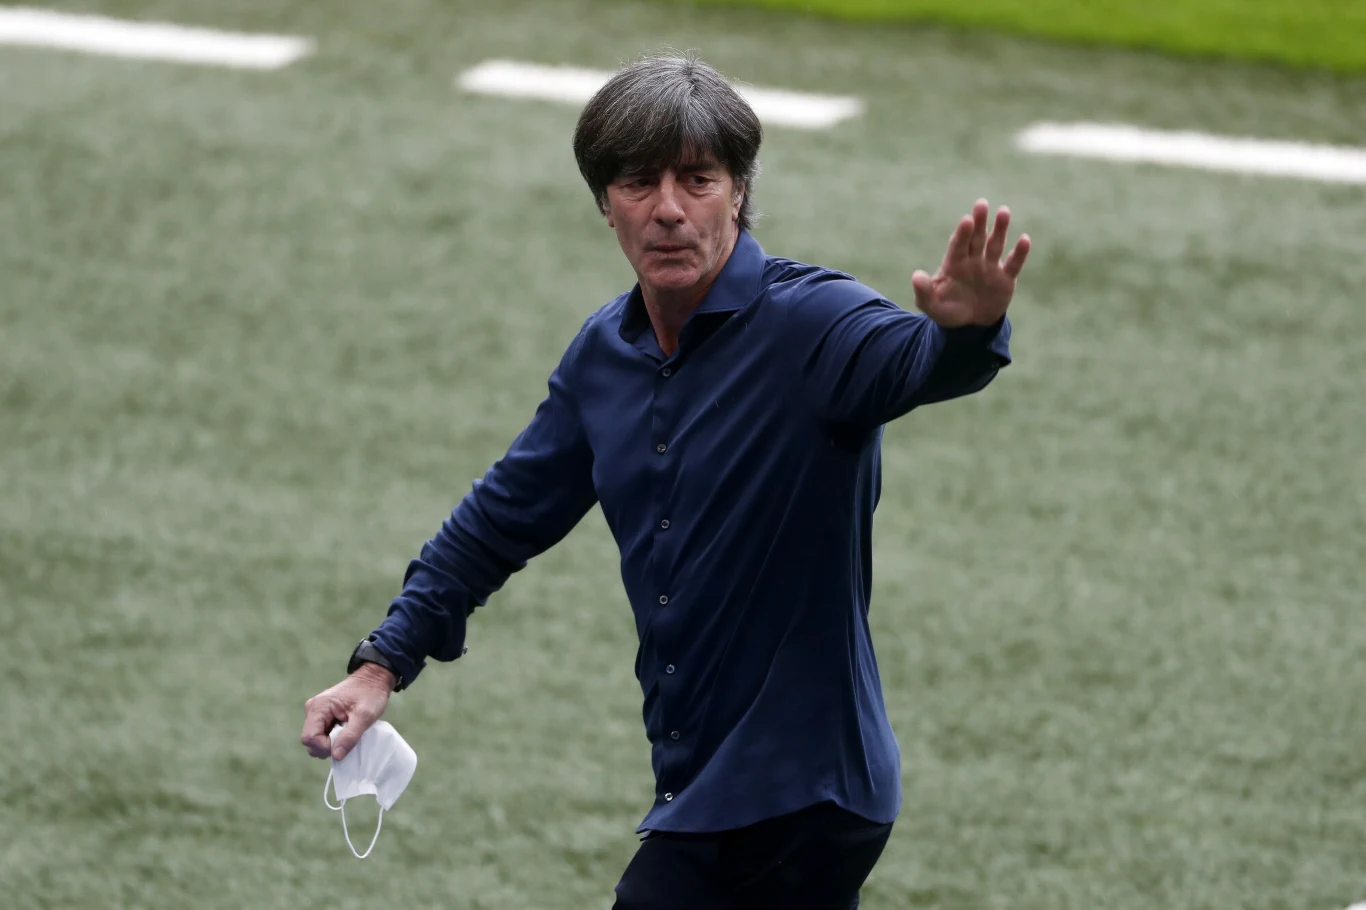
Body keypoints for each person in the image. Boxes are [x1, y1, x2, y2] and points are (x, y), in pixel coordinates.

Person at [301, 50, 1030, 909]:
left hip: (801, 788)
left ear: (738, 192)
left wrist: (965, 332)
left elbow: (912, 362)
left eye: (699, 180)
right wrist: (381, 663)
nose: (670, 209)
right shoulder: (602, 358)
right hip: (711, 788)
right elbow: (498, 521)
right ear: (604, 203)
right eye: (639, 182)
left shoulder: (813, 323)